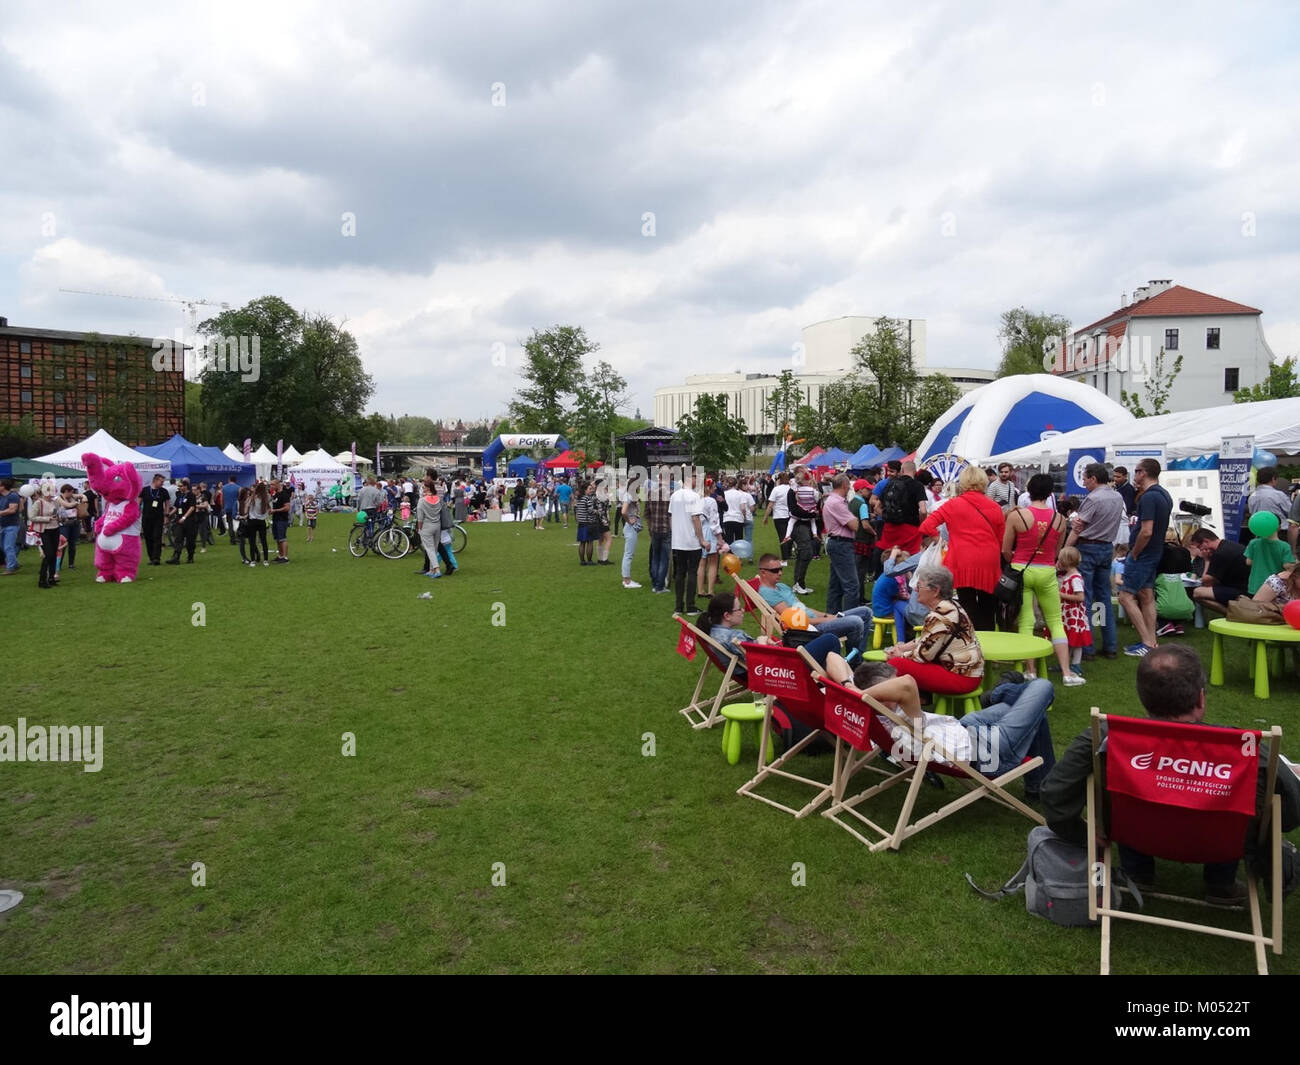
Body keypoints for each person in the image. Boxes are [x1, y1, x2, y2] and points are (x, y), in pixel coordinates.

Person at [1041, 644, 1300, 906]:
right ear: (1200, 698)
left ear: (1143, 697)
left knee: (1132, 787)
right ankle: (1220, 884)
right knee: (1236, 803)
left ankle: (1138, 872)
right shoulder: (1247, 750)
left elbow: (1055, 794)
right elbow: (1292, 807)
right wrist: (1263, 836)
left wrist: (1081, 832)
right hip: (1223, 842)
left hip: (1134, 831)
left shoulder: (1106, 738)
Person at [842, 659, 1056, 798]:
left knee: (1033, 711)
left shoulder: (875, 711)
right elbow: (907, 684)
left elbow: (832, 655)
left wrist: (848, 685)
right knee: (1042, 687)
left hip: (965, 727)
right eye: (890, 684)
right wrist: (867, 695)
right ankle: (1001, 691)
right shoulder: (903, 717)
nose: (894, 685)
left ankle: (1037, 788)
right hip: (988, 750)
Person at [1000, 472, 1080, 683]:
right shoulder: (1060, 519)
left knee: (1026, 621)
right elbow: (1057, 551)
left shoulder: (1017, 515)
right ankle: (1067, 673)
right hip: (1046, 570)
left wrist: (1014, 561)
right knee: (1055, 621)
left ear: (1029, 491)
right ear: (1050, 493)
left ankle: (1030, 671)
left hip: (1021, 570)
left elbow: (1006, 549)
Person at [920, 466, 1004, 631]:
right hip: (988, 558)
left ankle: (969, 640)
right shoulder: (995, 507)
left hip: (961, 558)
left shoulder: (952, 504)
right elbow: (1000, 538)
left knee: (967, 603)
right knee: (988, 605)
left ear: (963, 482)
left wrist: (940, 540)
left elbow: (926, 526)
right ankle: (988, 642)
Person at [883, 565, 983, 696]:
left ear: (935, 591)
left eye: (919, 586)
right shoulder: (951, 605)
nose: (915, 589)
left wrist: (899, 655)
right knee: (905, 660)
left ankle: (902, 705)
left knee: (896, 663)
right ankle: (920, 698)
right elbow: (928, 639)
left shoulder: (938, 616)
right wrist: (903, 647)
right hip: (969, 673)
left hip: (961, 677)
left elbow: (922, 656)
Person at [755, 552, 873, 658]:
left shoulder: (782, 586)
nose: (780, 573)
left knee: (866, 612)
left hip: (815, 621)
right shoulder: (768, 593)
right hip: (808, 630)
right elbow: (794, 622)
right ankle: (854, 662)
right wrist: (825, 620)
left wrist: (827, 616)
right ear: (763, 572)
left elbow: (803, 608)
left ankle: (858, 655)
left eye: (781, 569)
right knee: (856, 621)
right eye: (775, 570)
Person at [1064, 462, 1127, 661]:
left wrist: (1066, 549)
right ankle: (1109, 645)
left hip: (1088, 547)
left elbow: (1078, 528)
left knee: (1086, 598)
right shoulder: (1117, 496)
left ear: (1093, 478)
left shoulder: (1093, 498)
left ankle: (1088, 647)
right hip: (1107, 547)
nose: (1084, 482)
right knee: (1104, 598)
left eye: (1085, 478)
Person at [705, 593, 842, 680]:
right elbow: (759, 658)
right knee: (829, 639)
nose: (743, 611)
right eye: (739, 609)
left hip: (768, 667)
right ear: (727, 616)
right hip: (777, 672)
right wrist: (762, 640)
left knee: (812, 641)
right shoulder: (731, 637)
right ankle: (833, 680)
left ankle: (833, 674)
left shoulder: (714, 633)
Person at [1117, 458, 1173, 656]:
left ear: (1144, 473)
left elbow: (1146, 531)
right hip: (1155, 552)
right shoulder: (1164, 495)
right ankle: (1152, 641)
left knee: (1125, 596)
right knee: (1146, 595)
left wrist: (1135, 552)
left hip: (1144, 554)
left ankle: (1147, 642)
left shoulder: (1149, 497)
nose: (1135, 474)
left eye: (1137, 470)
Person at [821, 473, 863, 614]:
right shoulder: (837, 503)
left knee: (836, 584)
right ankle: (850, 619)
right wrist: (855, 518)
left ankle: (833, 616)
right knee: (852, 586)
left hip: (837, 542)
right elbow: (854, 525)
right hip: (841, 544)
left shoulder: (833, 501)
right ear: (845, 486)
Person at [873, 460, 929, 557]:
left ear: (902, 470)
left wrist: (887, 517)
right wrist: (922, 525)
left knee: (889, 558)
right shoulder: (918, 485)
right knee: (907, 561)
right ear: (915, 472)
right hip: (910, 531)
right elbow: (923, 511)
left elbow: (876, 507)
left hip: (889, 529)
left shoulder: (890, 484)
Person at [1188, 528, 1250, 614]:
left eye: (1199, 547)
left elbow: (1206, 582)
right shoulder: (1228, 545)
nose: (1200, 550)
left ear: (1206, 542)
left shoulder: (1220, 554)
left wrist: (1207, 560)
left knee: (1197, 593)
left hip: (1240, 591)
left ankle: (1230, 614)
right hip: (1246, 586)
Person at [669, 473, 706, 616]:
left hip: (678, 541)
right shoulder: (694, 496)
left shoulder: (674, 496)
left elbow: (671, 517)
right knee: (691, 572)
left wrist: (676, 534)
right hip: (691, 540)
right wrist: (701, 538)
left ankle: (678, 606)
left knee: (680, 572)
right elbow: (695, 518)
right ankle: (690, 605)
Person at [872, 547, 918, 644]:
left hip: (880, 607)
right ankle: (907, 635)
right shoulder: (891, 579)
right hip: (884, 610)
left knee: (902, 605)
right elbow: (900, 595)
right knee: (905, 608)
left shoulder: (888, 576)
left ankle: (901, 639)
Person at [786, 468, 821, 595]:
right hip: (800, 525)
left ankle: (800, 583)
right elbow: (794, 511)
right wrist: (811, 514)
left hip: (805, 524)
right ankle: (798, 583)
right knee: (806, 552)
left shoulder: (805, 491)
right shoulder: (792, 492)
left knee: (805, 553)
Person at [1057, 546, 1091, 674]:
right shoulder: (1068, 575)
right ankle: (1065, 663)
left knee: (1076, 641)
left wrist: (1061, 595)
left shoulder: (1075, 578)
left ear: (1065, 561)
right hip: (1068, 614)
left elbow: (1080, 597)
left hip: (1074, 615)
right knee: (1068, 639)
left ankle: (1076, 664)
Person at [1243, 518, 1295, 596]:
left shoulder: (1254, 543)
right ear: (1279, 527)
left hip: (1255, 584)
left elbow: (1248, 562)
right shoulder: (1284, 546)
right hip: (1273, 588)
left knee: (1253, 606)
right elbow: (1287, 566)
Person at [1245, 466, 1291, 546]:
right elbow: (1291, 512)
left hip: (1259, 533)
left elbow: (1252, 513)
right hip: (1279, 533)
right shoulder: (1279, 495)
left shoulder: (1252, 496)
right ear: (1273, 479)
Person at [644, 470, 671, 594]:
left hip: (654, 528)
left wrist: (650, 528)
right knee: (664, 558)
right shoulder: (671, 494)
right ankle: (659, 585)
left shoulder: (651, 493)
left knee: (655, 556)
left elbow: (647, 514)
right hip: (666, 528)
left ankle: (655, 583)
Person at [696, 478, 724, 597]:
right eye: (713, 487)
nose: (715, 489)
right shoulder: (711, 501)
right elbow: (714, 521)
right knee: (713, 562)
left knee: (701, 562)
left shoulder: (696, 500)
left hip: (699, 530)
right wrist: (720, 538)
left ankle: (700, 590)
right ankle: (710, 591)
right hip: (709, 531)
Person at [164, 479, 199, 565]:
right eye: (179, 486)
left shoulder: (191, 495)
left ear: (185, 486)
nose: (179, 488)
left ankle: (190, 556)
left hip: (189, 520)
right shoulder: (179, 495)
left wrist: (184, 517)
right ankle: (176, 557)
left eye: (181, 486)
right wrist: (168, 514)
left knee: (190, 540)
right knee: (178, 538)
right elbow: (176, 507)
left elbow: (192, 507)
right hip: (179, 520)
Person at [416, 475, 444, 579]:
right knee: (434, 548)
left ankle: (436, 569)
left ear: (427, 488)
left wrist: (419, 528)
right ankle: (432, 570)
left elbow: (420, 517)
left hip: (426, 526)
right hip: (437, 525)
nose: (422, 489)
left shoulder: (422, 501)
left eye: (423, 487)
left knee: (429, 549)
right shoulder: (438, 498)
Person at [764, 472, 794, 563]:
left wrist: (765, 517)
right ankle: (788, 554)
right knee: (789, 535)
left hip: (779, 516)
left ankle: (785, 559)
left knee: (782, 537)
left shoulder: (776, 490)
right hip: (790, 515)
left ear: (779, 479)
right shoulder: (791, 489)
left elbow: (770, 504)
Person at [620, 472, 643, 590]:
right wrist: (629, 521)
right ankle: (627, 580)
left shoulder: (630, 496)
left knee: (629, 554)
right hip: (630, 528)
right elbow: (623, 511)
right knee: (628, 554)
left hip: (631, 528)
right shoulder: (629, 496)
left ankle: (627, 579)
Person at [245, 483, 271, 566]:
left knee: (252, 541)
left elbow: (246, 507)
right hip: (262, 520)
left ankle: (253, 560)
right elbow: (269, 510)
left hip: (252, 520)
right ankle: (266, 560)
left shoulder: (252, 498)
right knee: (264, 541)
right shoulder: (266, 498)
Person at [0, 478, 22, 575]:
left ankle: (10, 568)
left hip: (11, 525)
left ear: (3, 486)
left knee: (8, 547)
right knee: (3, 547)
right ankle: (15, 564)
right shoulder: (1, 496)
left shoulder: (12, 496)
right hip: (2, 525)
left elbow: (12, 510)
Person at [722, 477, 751, 546]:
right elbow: (743, 508)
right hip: (738, 518)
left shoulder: (724, 494)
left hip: (727, 518)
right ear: (736, 484)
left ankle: (730, 555)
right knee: (739, 540)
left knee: (729, 540)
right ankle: (738, 555)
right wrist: (744, 518)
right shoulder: (740, 494)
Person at [269, 478, 292, 562]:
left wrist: (275, 511)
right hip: (275, 519)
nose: (271, 486)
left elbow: (287, 508)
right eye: (270, 485)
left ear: (278, 484)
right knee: (277, 538)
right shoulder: (275, 495)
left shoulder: (284, 494)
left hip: (282, 519)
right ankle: (280, 555)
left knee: (282, 538)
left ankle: (285, 557)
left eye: (272, 484)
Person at [223, 476, 240, 542]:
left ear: (229, 479)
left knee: (230, 523)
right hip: (236, 507)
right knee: (238, 522)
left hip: (227, 507)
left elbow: (222, 498)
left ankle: (232, 538)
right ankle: (238, 536)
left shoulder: (224, 488)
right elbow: (240, 498)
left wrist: (223, 506)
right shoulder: (238, 487)